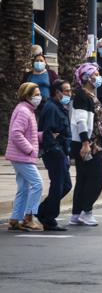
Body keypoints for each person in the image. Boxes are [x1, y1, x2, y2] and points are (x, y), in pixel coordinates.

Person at [69, 63, 102, 226]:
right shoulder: (82, 96)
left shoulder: (90, 94)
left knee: (84, 178)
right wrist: (85, 143)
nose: (98, 76)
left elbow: (92, 119)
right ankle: (86, 211)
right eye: (95, 74)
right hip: (89, 145)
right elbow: (80, 121)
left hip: (93, 142)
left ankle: (76, 214)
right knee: (97, 177)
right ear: (87, 77)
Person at [6, 82, 44, 231]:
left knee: (23, 187)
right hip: (22, 155)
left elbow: (29, 133)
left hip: (19, 155)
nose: (39, 97)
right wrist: (29, 150)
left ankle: (15, 219)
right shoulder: (24, 111)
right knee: (38, 184)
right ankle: (28, 217)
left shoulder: (27, 109)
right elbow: (16, 133)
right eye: (36, 95)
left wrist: (43, 136)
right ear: (27, 96)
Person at [36, 80, 73, 231]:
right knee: (58, 186)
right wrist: (56, 150)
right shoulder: (51, 108)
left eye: (70, 91)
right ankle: (49, 219)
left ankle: (43, 212)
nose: (69, 94)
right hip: (54, 153)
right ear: (57, 92)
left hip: (61, 152)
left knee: (66, 185)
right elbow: (48, 133)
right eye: (66, 91)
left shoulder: (59, 107)